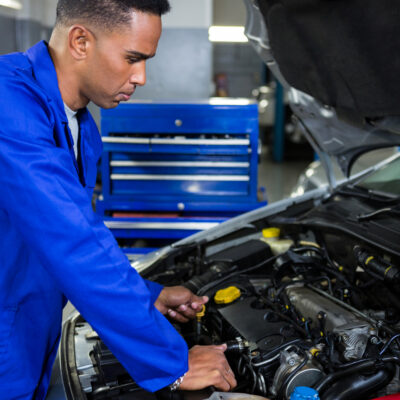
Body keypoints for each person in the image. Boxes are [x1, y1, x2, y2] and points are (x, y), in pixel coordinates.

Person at [0, 0, 237, 398]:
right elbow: (72, 241)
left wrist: (149, 295)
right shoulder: (10, 106)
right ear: (80, 41)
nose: (141, 77)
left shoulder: (76, 122)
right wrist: (172, 362)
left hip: (27, 325)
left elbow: (57, 237)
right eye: (132, 58)